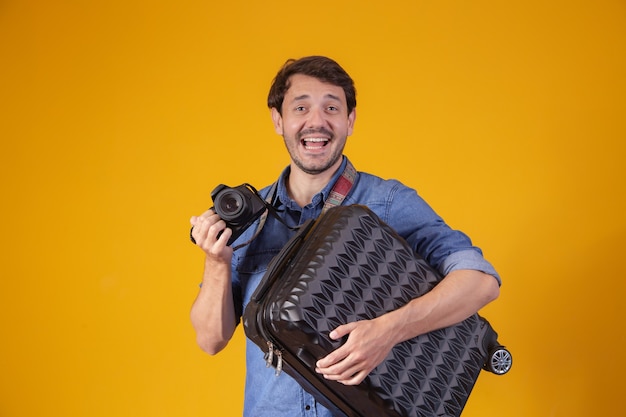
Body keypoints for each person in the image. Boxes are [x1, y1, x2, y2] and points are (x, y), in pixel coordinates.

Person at [189, 56, 501, 417]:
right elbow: (211, 339)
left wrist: (389, 330)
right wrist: (217, 262)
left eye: (331, 108)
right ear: (279, 120)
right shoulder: (250, 219)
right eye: (300, 107)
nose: (316, 122)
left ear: (349, 121)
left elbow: (481, 283)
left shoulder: (388, 202)